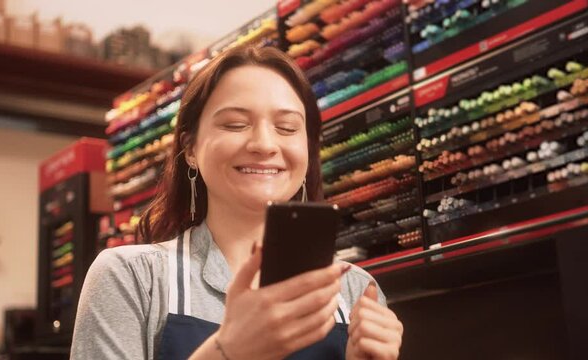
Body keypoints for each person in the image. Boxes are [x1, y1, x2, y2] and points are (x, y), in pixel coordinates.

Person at [70, 45, 403, 360]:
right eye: (235, 124)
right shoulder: (131, 278)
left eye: (287, 128)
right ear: (191, 149)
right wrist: (227, 351)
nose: (264, 144)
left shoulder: (356, 289)